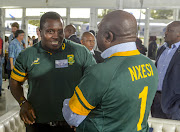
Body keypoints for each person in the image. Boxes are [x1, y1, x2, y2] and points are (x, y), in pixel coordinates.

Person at [62, 10, 158, 132]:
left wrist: (67, 102)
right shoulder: (149, 64)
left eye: (98, 33)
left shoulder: (101, 72)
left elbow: (72, 117)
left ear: (108, 36)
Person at [10, 12, 96, 132]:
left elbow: (95, 82)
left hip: (72, 125)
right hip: (37, 123)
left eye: (60, 31)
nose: (56, 36)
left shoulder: (80, 52)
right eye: (50, 31)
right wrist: (23, 102)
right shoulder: (27, 55)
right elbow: (14, 82)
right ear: (39, 32)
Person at [151, 21, 180, 120]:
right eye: (166, 30)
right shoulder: (161, 50)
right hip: (157, 101)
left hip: (175, 103)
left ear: (179, 34)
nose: (166, 33)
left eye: (170, 30)